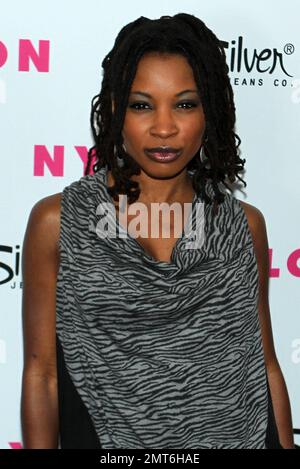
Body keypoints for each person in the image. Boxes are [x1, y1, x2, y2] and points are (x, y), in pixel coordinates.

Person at [21, 13, 295, 449]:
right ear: (114, 109)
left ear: (212, 112)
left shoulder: (243, 225)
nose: (164, 128)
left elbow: (264, 364)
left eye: (185, 104)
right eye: (141, 104)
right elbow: (42, 374)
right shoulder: (58, 222)